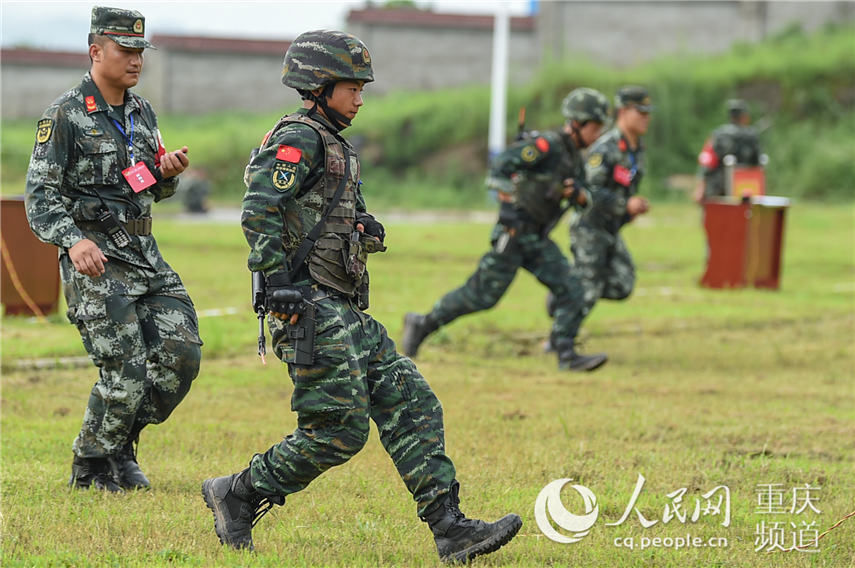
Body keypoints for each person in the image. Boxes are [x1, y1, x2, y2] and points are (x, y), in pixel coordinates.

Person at [201, 30, 521, 563]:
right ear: (318, 84)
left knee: (411, 398)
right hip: (307, 305)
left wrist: (362, 228)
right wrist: (276, 280)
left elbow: (318, 213)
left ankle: (451, 528)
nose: (360, 96)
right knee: (337, 432)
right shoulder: (297, 137)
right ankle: (237, 493)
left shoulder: (336, 145)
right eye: (351, 86)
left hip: (343, 308)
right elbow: (259, 207)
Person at [24, 6, 202, 493]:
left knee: (180, 358)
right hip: (97, 260)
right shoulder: (64, 115)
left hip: (144, 252)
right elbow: (40, 196)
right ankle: (92, 465)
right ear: (95, 51)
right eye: (125, 50)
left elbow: (141, 188)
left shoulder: (143, 113)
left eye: (140, 51)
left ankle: (119, 442)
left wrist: (164, 174)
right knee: (125, 370)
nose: (136, 60)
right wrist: (73, 239)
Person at [400, 89, 611, 372]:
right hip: (514, 234)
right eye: (594, 127)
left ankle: (566, 354)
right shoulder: (547, 145)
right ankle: (422, 324)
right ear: (576, 122)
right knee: (482, 296)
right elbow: (500, 166)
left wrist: (579, 195)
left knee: (572, 288)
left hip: (537, 238)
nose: (597, 134)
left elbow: (586, 197)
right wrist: (508, 203)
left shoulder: (575, 159)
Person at [566, 86, 652, 335]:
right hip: (590, 226)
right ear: (623, 112)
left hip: (611, 227)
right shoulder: (606, 148)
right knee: (589, 289)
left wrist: (629, 211)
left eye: (648, 113)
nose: (646, 118)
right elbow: (589, 190)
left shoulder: (636, 149)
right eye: (640, 112)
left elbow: (625, 185)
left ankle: (567, 288)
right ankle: (560, 339)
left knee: (622, 284)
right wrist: (624, 205)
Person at [693, 98, 763, 203]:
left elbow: (707, 163)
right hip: (746, 190)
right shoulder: (752, 136)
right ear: (745, 117)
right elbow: (758, 165)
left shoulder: (718, 134)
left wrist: (700, 189)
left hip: (717, 191)